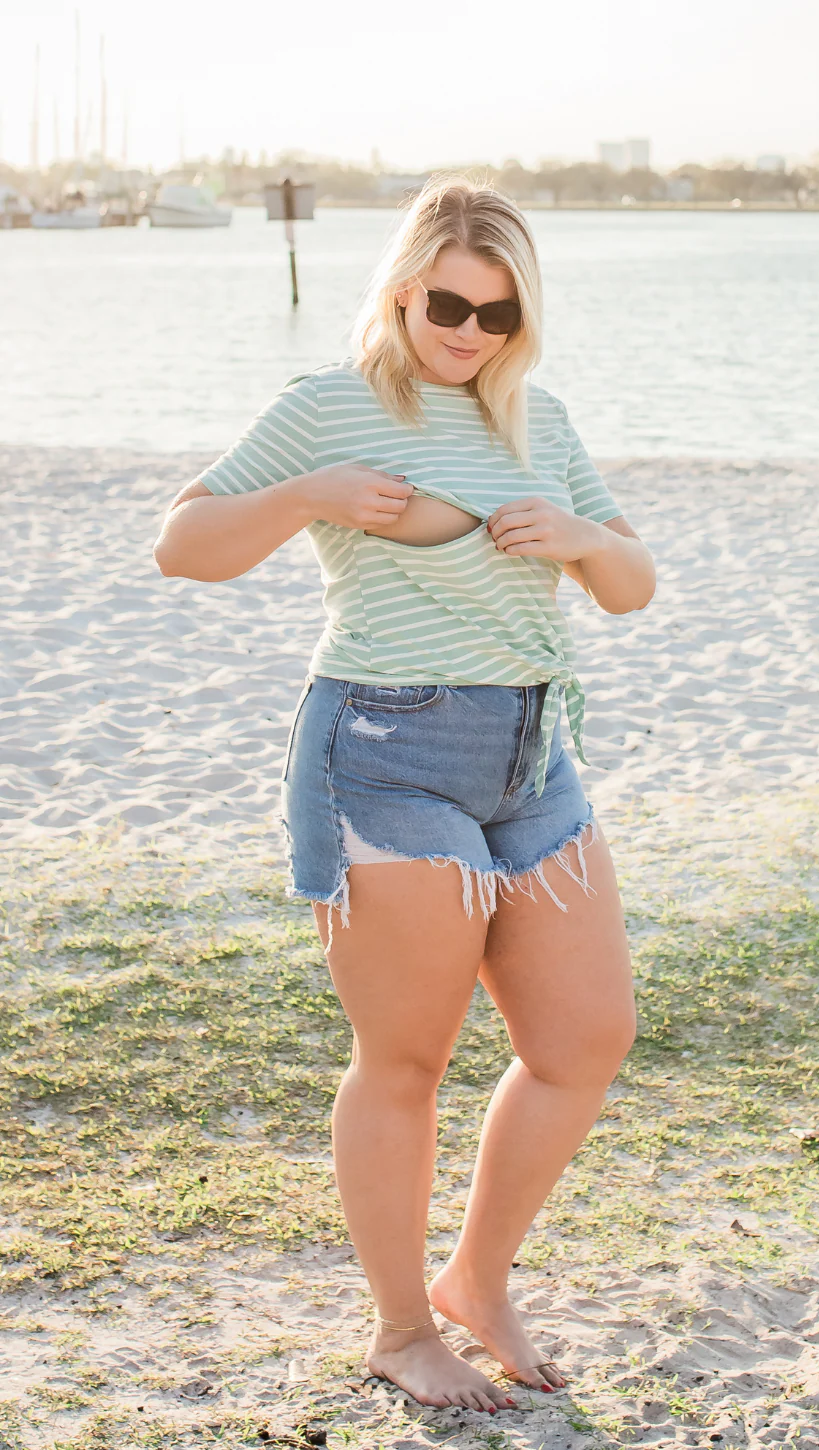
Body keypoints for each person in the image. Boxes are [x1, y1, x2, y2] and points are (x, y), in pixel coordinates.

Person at [153, 175, 656, 1416]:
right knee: (408, 1056)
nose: (468, 332)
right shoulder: (329, 405)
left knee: (585, 1039)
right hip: (383, 746)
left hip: (533, 753)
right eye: (448, 304)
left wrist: (584, 541)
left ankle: (475, 1280)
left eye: (497, 313)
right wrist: (307, 497)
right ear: (402, 291)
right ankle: (398, 1329)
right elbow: (183, 543)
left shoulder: (540, 420)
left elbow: (632, 583)